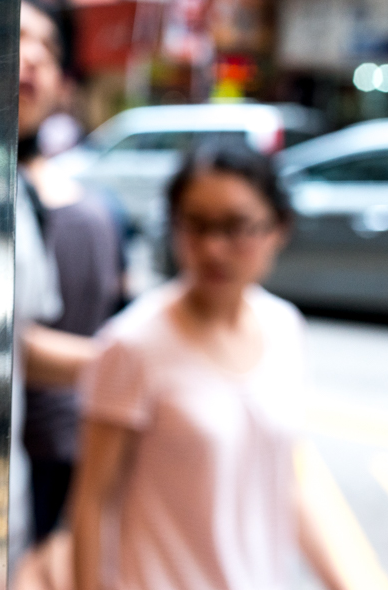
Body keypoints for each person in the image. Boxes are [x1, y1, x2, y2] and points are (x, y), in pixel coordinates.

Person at [71, 145, 347, 590]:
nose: (213, 248)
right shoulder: (133, 344)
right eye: (195, 225)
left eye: (236, 227)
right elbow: (91, 503)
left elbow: (286, 482)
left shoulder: (284, 327)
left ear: (278, 228)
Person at [11, 0, 122, 581]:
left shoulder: (95, 209)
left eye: (47, 48)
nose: (30, 58)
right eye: (15, 38)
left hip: (70, 453)